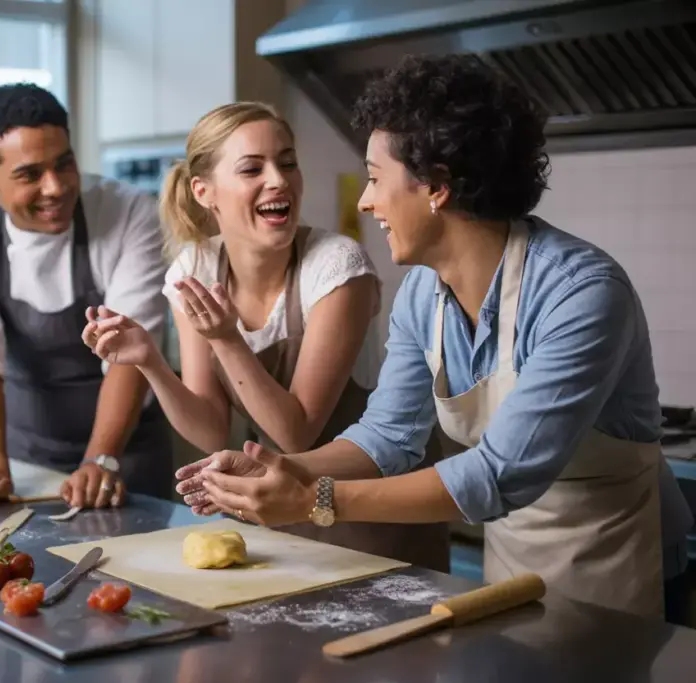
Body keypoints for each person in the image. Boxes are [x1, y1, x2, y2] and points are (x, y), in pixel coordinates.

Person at [175, 55, 694, 621]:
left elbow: (499, 474)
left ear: (436, 187)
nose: (365, 202)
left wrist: (314, 500)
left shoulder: (582, 293)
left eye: (374, 179)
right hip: (514, 568)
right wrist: (281, 470)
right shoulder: (423, 293)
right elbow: (386, 436)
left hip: (621, 574)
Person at [83, 102, 450, 570]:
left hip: (376, 509)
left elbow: (295, 433)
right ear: (204, 191)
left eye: (288, 162)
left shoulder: (338, 267)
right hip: (280, 506)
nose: (278, 179)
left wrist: (226, 340)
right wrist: (149, 361)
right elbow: (211, 428)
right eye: (252, 168)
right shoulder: (194, 269)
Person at [0, 83, 172, 509]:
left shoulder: (130, 213)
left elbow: (130, 351)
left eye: (65, 164)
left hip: (126, 458)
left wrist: (101, 458)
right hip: (26, 463)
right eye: (29, 174)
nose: (55, 187)